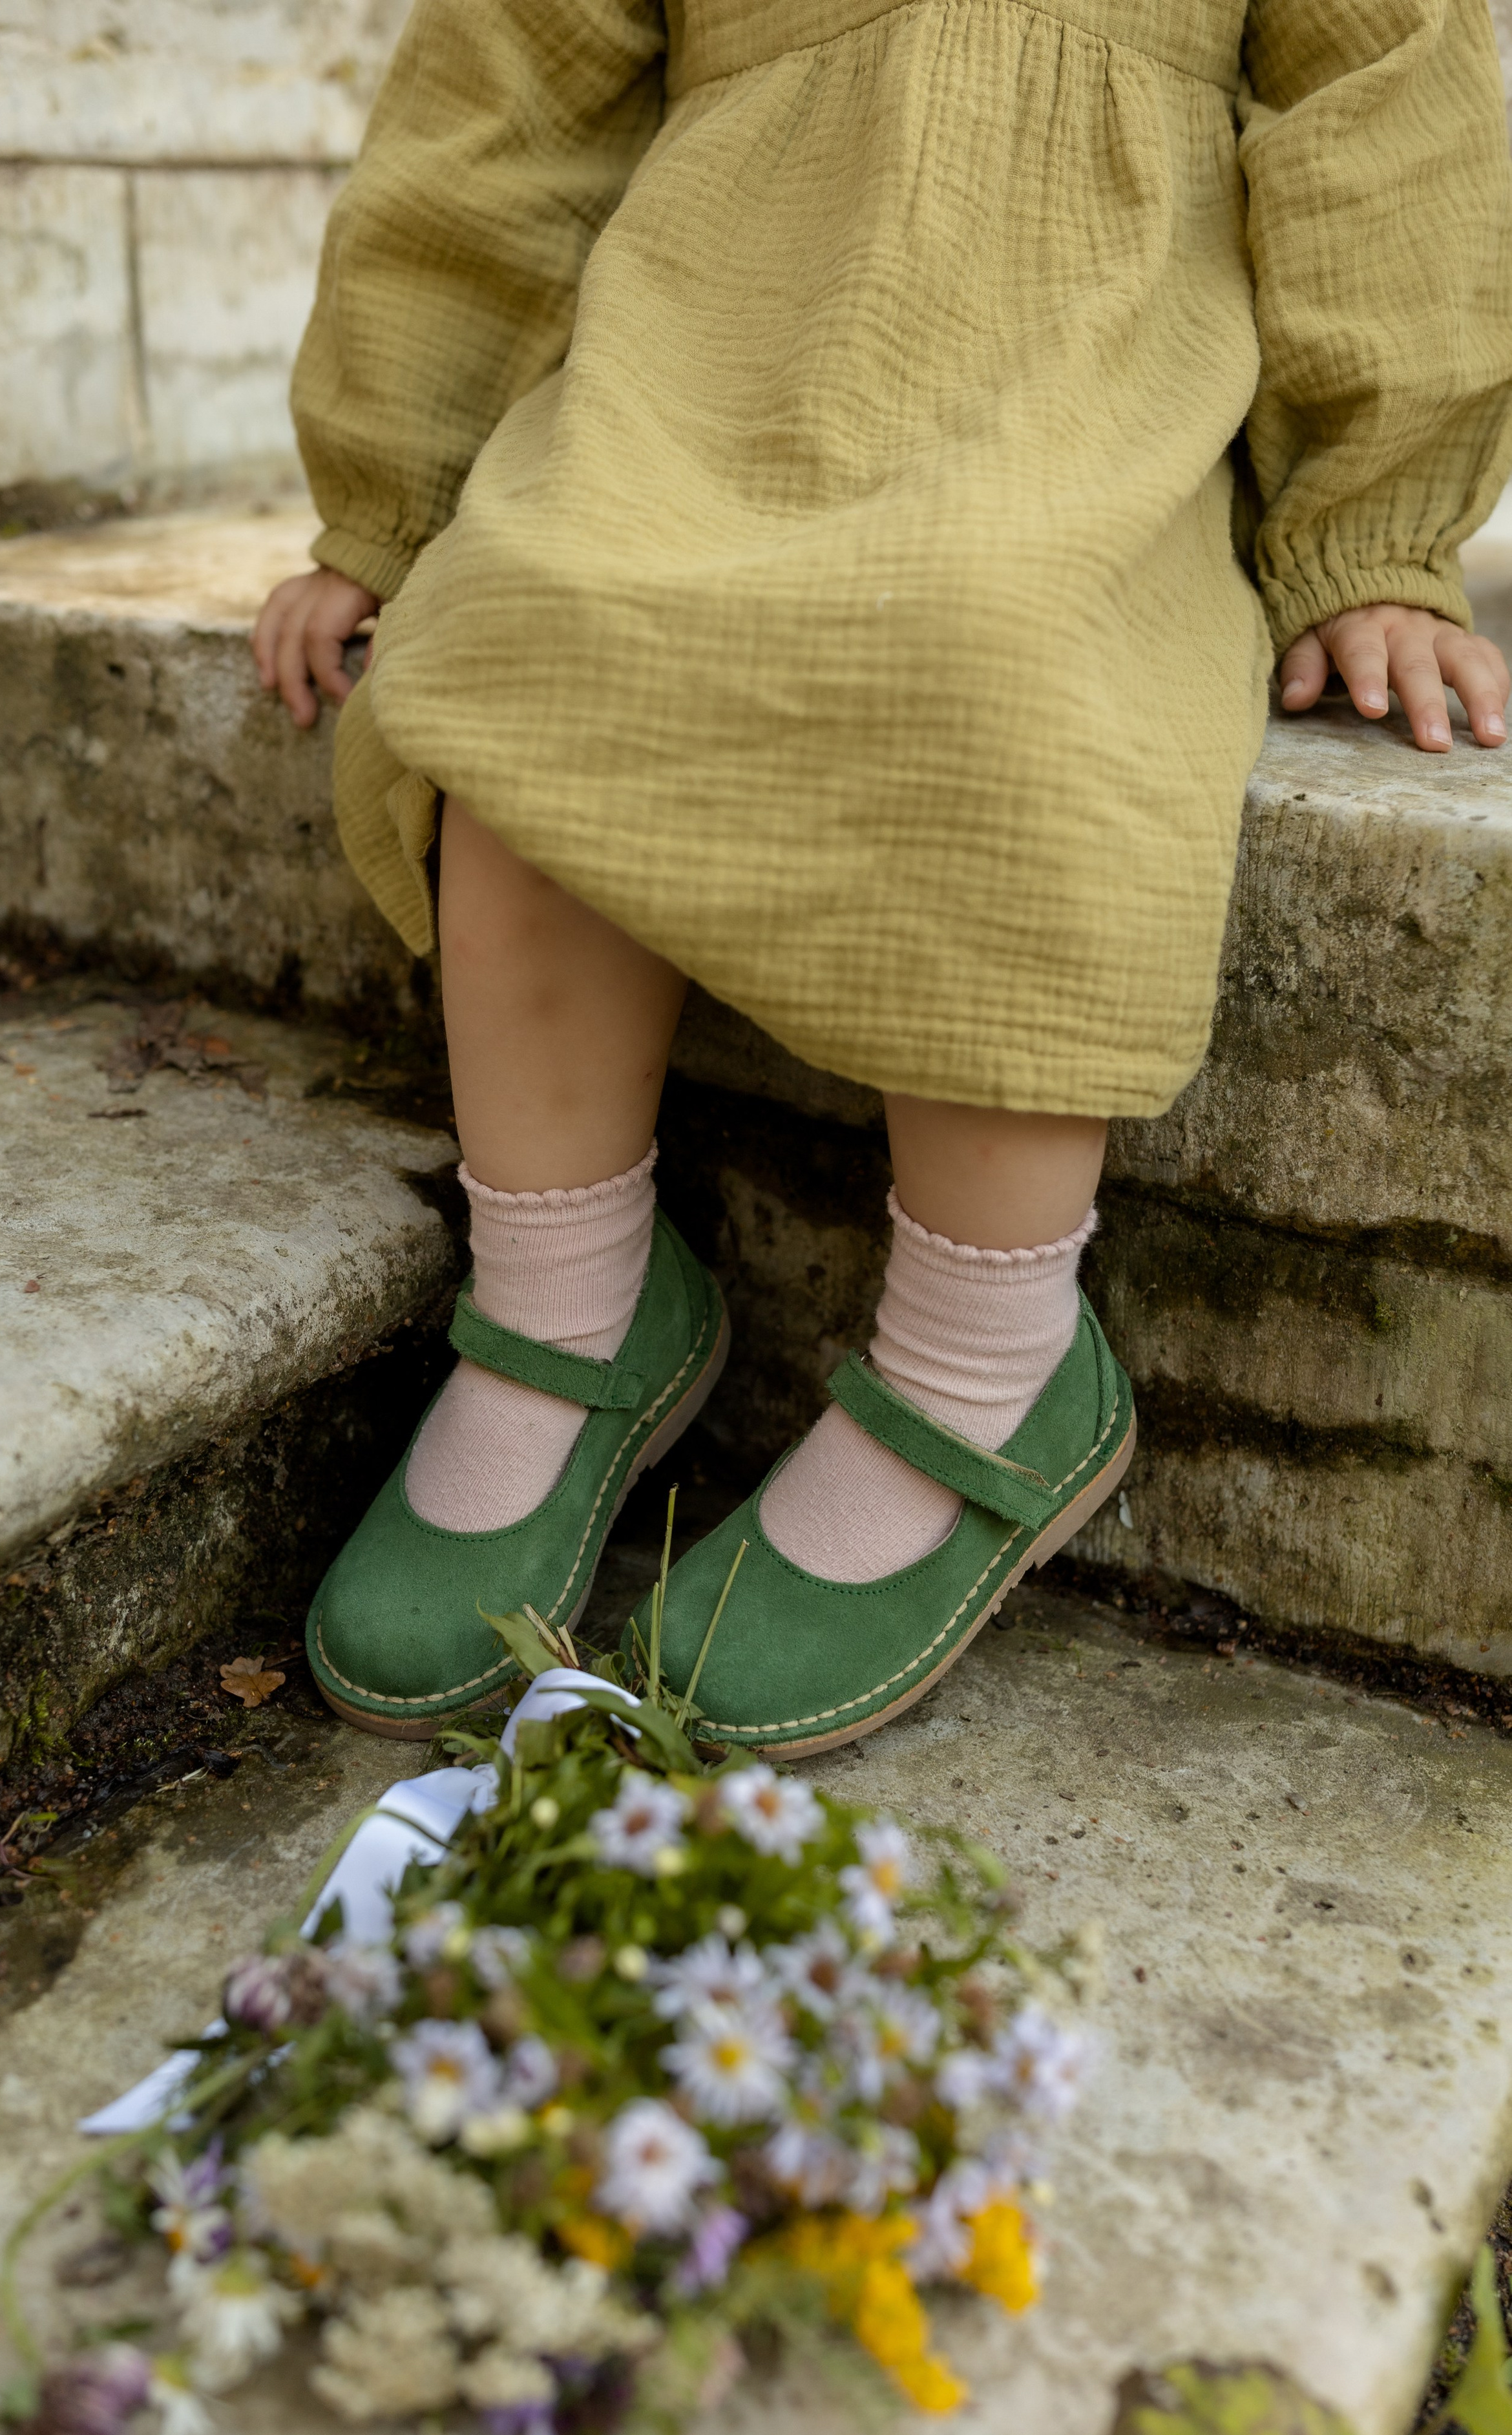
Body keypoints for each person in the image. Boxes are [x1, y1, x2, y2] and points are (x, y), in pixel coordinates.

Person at [253, 0, 1512, 1756]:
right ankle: (564, 1300)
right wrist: (393, 496)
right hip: (701, 367)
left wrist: (1367, 532)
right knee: (536, 625)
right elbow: (502, 112)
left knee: (990, 650)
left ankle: (987, 1364)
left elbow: (1387, 118)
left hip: (1083, 383)